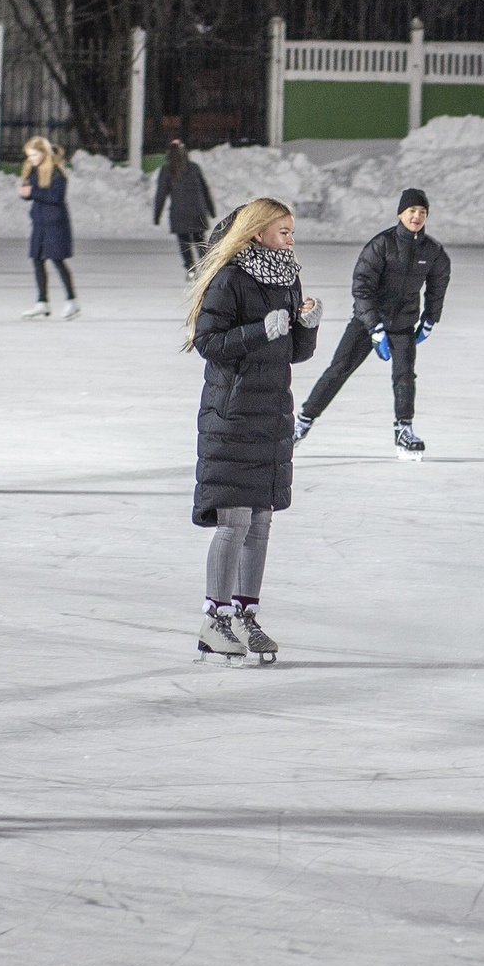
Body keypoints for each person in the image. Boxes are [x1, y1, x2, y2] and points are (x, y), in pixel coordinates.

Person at [184, 197, 320, 665]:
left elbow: (294, 353)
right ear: (258, 231)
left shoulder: (286, 275)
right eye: (283, 230)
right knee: (235, 520)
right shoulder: (230, 278)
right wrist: (260, 330)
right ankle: (214, 618)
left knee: (261, 520)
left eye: (292, 230)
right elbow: (208, 343)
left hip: (271, 413)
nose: (291, 237)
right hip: (233, 413)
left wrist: (306, 328)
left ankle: (245, 615)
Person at [296, 188, 449, 458]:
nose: (417, 216)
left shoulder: (432, 251)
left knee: (404, 376)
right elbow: (362, 287)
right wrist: (374, 327)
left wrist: (429, 320)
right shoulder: (382, 245)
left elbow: (438, 284)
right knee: (339, 370)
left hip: (403, 323)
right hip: (367, 322)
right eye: (412, 211)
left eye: (422, 212)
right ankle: (302, 422)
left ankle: (404, 429)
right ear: (400, 213)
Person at [17, 136, 79, 319]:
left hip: (55, 224)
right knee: (37, 260)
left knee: (57, 260)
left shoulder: (57, 172)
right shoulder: (33, 171)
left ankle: (72, 302)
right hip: (40, 222)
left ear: (44, 153)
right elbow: (34, 193)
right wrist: (25, 193)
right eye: (29, 155)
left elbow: (56, 197)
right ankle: (42, 302)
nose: (32, 159)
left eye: (35, 155)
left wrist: (33, 192)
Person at [152, 140, 217, 272]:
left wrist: (157, 215)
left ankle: (190, 267)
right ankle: (207, 266)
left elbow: (161, 194)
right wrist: (211, 209)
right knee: (200, 239)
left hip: (179, 212)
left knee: (184, 241)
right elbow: (205, 190)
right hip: (197, 210)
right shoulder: (194, 168)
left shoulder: (167, 170)